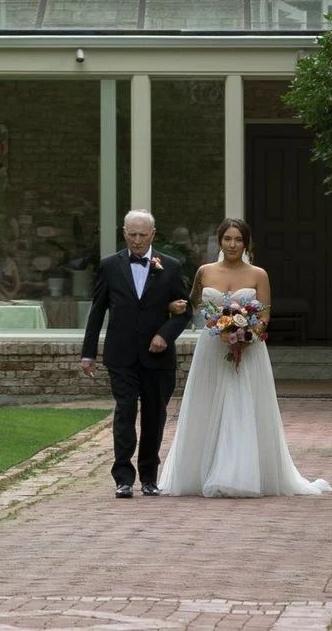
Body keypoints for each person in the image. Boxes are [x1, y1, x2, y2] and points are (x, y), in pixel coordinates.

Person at [155, 217, 332, 497]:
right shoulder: (204, 271)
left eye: (239, 239)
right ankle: (199, 470)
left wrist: (246, 335)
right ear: (220, 241)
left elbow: (264, 314)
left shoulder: (258, 274)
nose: (233, 244)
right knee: (209, 403)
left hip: (248, 350)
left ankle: (241, 473)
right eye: (228, 239)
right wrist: (172, 307)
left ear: (247, 243)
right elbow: (190, 304)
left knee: (242, 405)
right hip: (212, 349)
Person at [79, 209, 192, 497]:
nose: (138, 241)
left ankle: (149, 478)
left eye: (143, 235)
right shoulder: (109, 266)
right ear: (124, 234)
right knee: (125, 411)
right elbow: (97, 311)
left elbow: (184, 311)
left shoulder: (171, 266)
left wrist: (164, 336)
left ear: (153, 234)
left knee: (154, 416)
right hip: (121, 354)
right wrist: (88, 353)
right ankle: (123, 478)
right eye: (132, 235)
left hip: (158, 357)